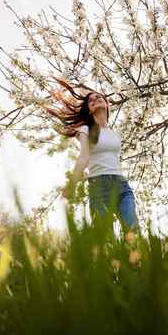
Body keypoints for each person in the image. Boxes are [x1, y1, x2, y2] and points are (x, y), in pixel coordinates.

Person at [44, 77, 139, 238]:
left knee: (132, 232)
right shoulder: (85, 130)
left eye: (98, 97)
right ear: (89, 110)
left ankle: (137, 262)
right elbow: (83, 158)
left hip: (121, 186)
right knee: (105, 238)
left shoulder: (115, 134)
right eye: (91, 100)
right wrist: (72, 184)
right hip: (99, 187)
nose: (95, 99)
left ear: (107, 105)